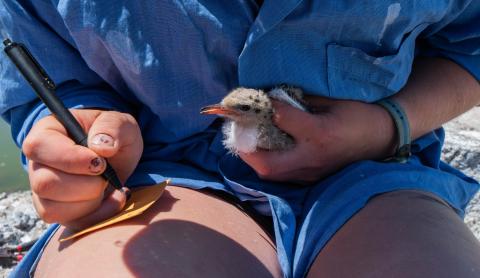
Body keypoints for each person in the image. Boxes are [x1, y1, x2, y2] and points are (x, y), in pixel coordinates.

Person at [1, 1, 480, 277]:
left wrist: (387, 124)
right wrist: (77, 127)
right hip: (165, 171)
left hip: (371, 169)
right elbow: (47, 73)